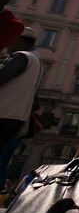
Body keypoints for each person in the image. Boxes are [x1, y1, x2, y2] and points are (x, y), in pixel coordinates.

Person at [0, 28, 42, 179]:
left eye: (10, 41)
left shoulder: (21, 56)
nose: (7, 45)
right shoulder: (36, 59)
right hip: (17, 116)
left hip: (4, 112)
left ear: (19, 41)